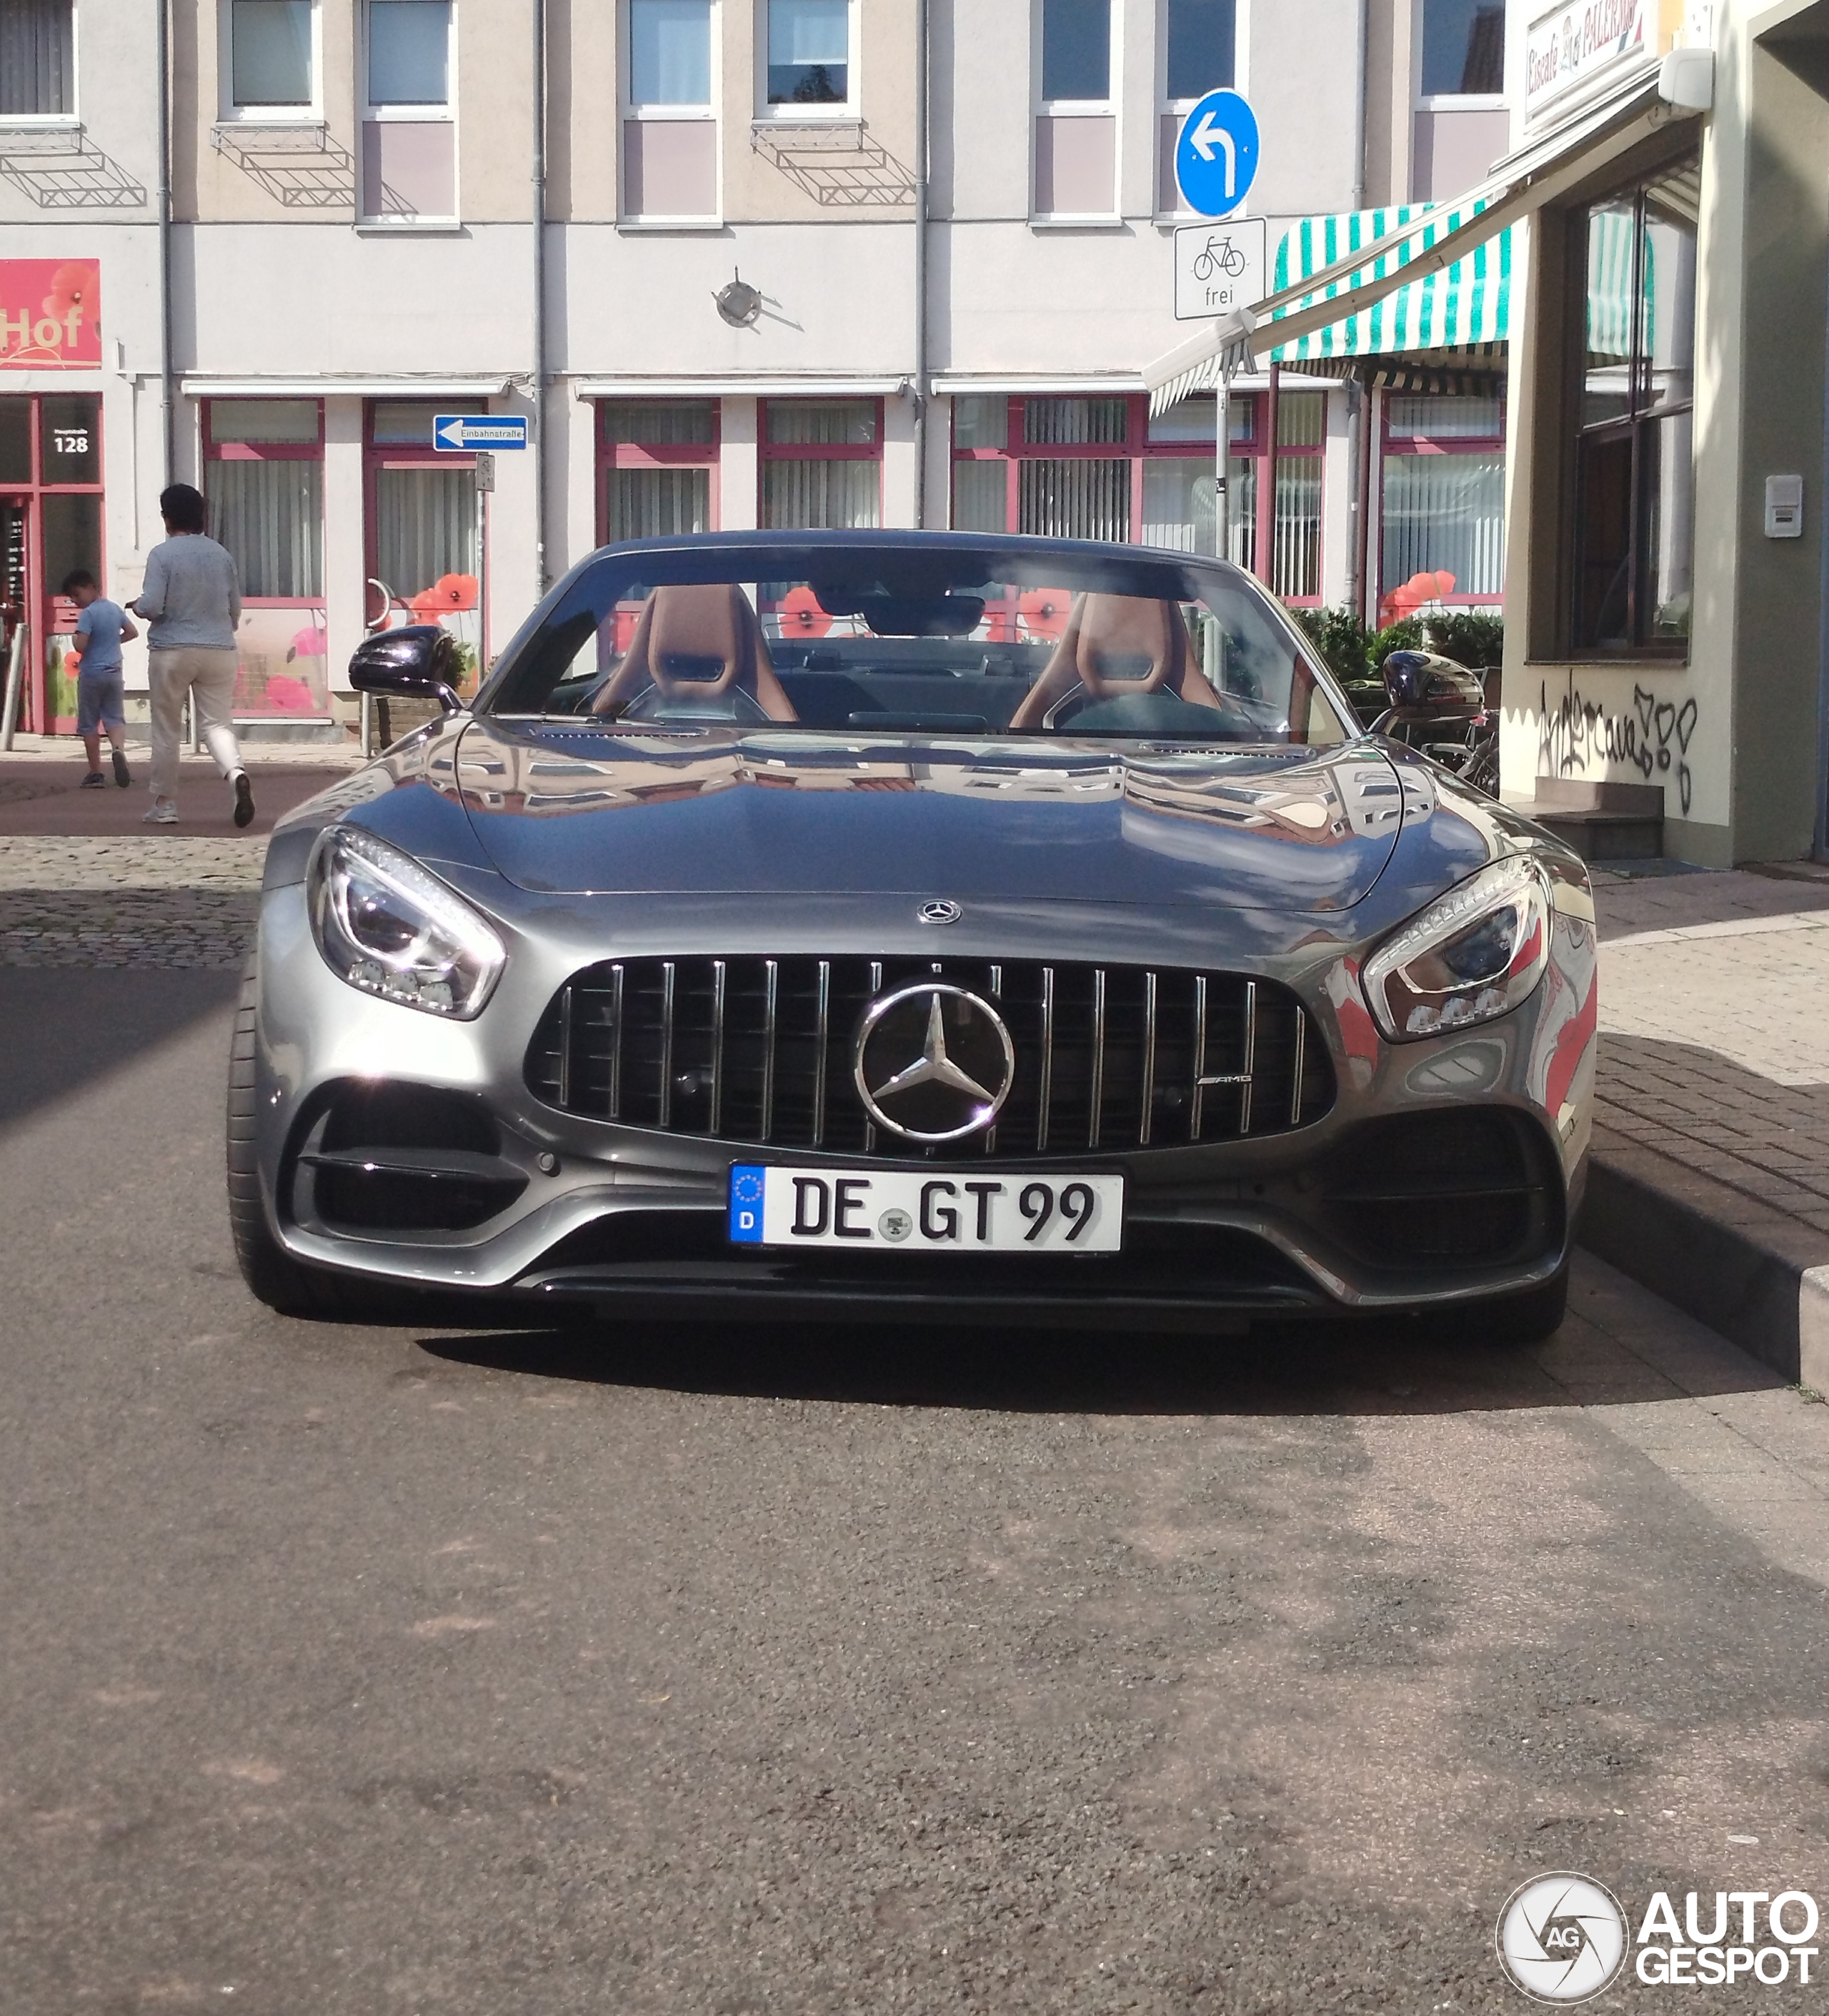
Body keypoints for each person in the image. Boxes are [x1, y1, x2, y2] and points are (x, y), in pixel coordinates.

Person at [131, 482, 254, 828]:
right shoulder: (221, 554)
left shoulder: (162, 555)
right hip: (219, 649)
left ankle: (165, 804)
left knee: (167, 729)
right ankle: (235, 773)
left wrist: (138, 608)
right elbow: (234, 610)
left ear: (167, 517)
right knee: (217, 724)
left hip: (172, 650)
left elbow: (153, 604)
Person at [62, 569, 136, 789]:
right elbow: (132, 632)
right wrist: (113, 643)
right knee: (114, 718)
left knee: (89, 723)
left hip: (92, 674)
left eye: (76, 595)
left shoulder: (89, 614)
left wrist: (78, 641)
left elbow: (81, 645)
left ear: (90, 588)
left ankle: (96, 772)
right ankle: (118, 750)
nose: (75, 600)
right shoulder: (113, 609)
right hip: (114, 672)